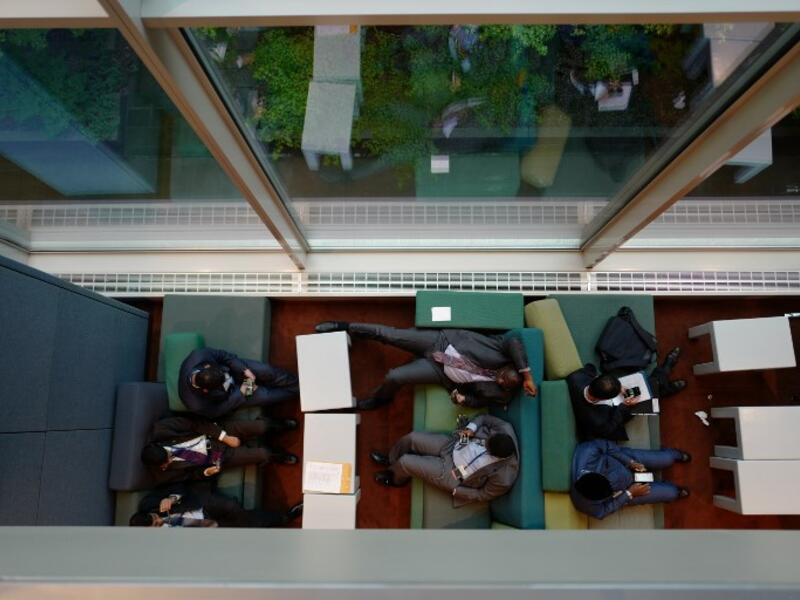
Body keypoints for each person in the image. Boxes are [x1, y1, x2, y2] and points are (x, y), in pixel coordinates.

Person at [314, 321, 537, 409]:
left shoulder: (503, 394)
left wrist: (463, 400)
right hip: (442, 342)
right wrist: (527, 375)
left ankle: (378, 400)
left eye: (502, 384)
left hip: (441, 372)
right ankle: (343, 326)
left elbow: (478, 401)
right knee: (389, 334)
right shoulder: (503, 349)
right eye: (501, 376)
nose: (498, 380)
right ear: (510, 367)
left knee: (394, 376)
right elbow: (515, 341)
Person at [370, 414, 519, 506]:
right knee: (412, 438)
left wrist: (457, 490)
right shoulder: (504, 429)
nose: (484, 443)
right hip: (454, 445)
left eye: (487, 447)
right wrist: (471, 429)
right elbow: (484, 418)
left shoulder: (504, 477)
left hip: (453, 473)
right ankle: (391, 459)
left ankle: (395, 479)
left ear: (496, 455)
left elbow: (484, 494)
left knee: (406, 462)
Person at [567, 347, 687, 441]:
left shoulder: (575, 378)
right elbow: (610, 427)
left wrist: (619, 388)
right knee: (645, 395)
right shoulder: (598, 420)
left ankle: (665, 386)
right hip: (615, 414)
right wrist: (624, 406)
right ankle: (666, 371)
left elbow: (590, 368)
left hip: (605, 400)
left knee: (642, 389)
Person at [141, 414, 297, 485]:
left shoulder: (161, 430)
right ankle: (276, 454)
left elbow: (195, 423)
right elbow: (190, 477)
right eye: (168, 461)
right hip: (215, 457)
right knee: (263, 454)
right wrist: (205, 473)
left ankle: (280, 424)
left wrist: (225, 437)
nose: (171, 457)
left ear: (159, 445)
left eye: (169, 453)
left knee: (261, 426)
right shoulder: (162, 474)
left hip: (216, 434)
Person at [570, 439, 691, 520]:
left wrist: (630, 461)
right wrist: (628, 494)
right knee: (671, 493)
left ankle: (674, 454)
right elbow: (604, 510)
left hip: (624, 461)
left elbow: (608, 446)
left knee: (667, 459)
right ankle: (675, 491)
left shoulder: (587, 452)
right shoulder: (583, 504)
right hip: (626, 491)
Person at [179, 347, 299, 419]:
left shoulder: (199, 355)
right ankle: (300, 392)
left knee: (267, 370)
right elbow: (219, 410)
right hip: (233, 394)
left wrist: (245, 371)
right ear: (206, 391)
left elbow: (225, 356)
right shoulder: (197, 404)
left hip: (234, 370)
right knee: (265, 395)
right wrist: (245, 390)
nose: (226, 378)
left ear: (207, 366)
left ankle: (301, 384)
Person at [129, 482, 303, 528]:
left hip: (199, 504)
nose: (159, 520)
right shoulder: (156, 545)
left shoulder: (148, 504)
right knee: (245, 526)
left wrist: (172, 498)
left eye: (155, 518)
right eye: (156, 525)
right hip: (205, 529)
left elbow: (179, 486)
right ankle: (283, 518)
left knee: (233, 509)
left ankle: (284, 517)